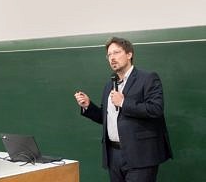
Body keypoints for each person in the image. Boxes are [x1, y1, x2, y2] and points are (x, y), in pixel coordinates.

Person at [74, 37, 172, 182]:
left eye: (116, 52)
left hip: (140, 155)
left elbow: (155, 109)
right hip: (113, 155)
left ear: (129, 54)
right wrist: (88, 106)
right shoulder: (110, 85)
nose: (112, 58)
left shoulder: (148, 78)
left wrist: (124, 102)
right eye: (109, 55)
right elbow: (106, 118)